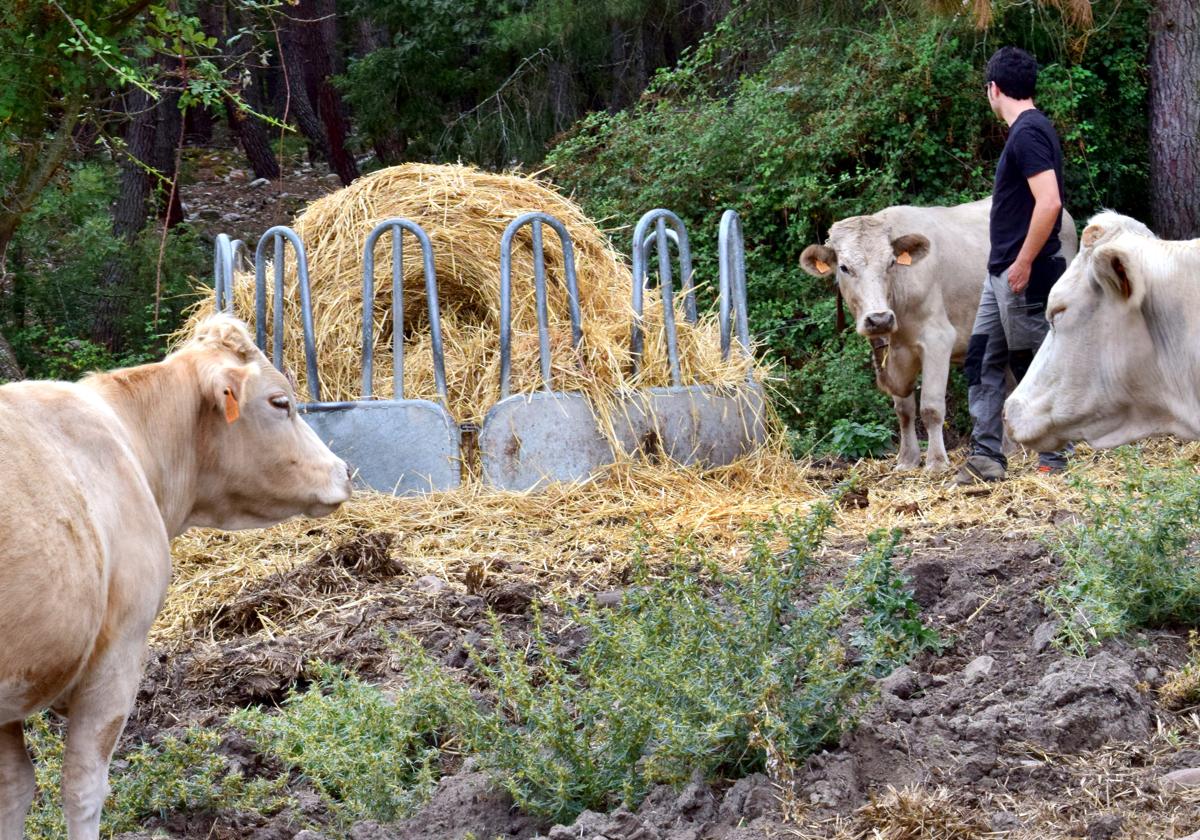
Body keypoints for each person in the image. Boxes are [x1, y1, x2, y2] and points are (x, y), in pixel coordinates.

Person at [956, 46, 1071, 486]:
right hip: (1000, 273)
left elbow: (1050, 201)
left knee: (1033, 362)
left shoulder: (1028, 133)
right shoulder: (1028, 131)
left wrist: (1023, 262)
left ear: (994, 89)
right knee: (981, 359)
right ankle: (987, 457)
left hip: (1024, 273)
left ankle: (1054, 459)